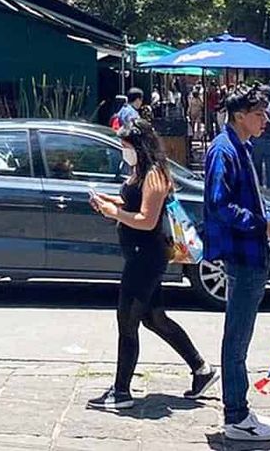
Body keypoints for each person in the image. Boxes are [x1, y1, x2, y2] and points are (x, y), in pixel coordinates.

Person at [88, 120, 217, 410]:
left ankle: (121, 392)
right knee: (154, 317)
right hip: (139, 253)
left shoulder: (155, 175)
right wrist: (108, 201)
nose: (124, 151)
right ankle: (201, 369)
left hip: (146, 256)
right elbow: (131, 201)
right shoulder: (140, 172)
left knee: (128, 320)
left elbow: (147, 220)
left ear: (140, 146)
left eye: (126, 146)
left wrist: (114, 213)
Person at [204, 83, 270, 443]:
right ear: (239, 116)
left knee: (240, 336)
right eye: (258, 113)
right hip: (243, 255)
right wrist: (260, 224)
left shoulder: (240, 147)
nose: (265, 119)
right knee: (236, 339)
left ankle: (238, 409)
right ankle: (235, 414)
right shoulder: (224, 150)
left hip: (251, 254)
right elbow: (220, 204)